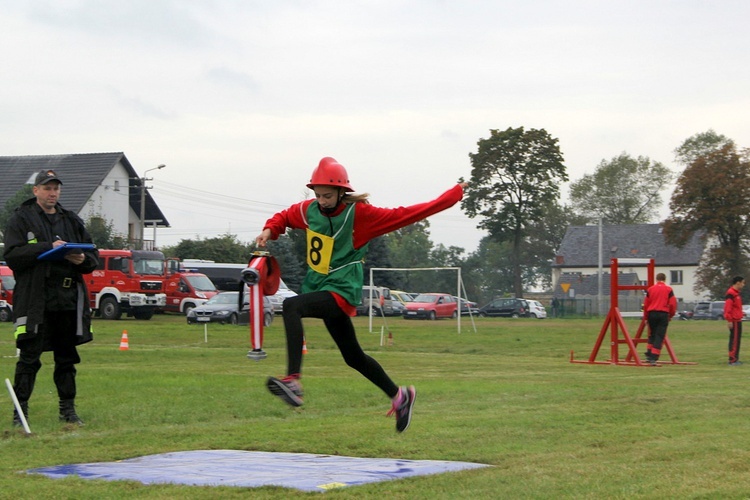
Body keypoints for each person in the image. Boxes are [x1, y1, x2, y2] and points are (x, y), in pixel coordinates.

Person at [255, 157, 467, 433]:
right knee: (353, 356)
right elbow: (285, 217)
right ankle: (400, 396)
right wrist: (269, 229)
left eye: (328, 195)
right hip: (321, 288)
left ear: (343, 191)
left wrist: (454, 194)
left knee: (292, 305)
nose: (322, 200)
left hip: (342, 290)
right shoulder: (310, 211)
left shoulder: (361, 216)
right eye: (318, 195)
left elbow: (411, 213)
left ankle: (293, 379)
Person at [3, 169, 99, 427]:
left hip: (66, 300)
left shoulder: (71, 220)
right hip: (35, 299)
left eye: (56, 188)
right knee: (29, 357)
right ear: (36, 191)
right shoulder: (21, 219)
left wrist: (82, 260)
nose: (52, 193)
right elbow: (12, 256)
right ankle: (20, 413)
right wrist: (47, 247)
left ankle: (68, 411)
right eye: (47, 188)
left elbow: (93, 257)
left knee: (67, 358)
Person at [642, 273, 677, 365]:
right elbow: (673, 304)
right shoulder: (669, 289)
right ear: (665, 279)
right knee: (660, 336)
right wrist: (671, 315)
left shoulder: (650, 289)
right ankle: (654, 356)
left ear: (656, 279)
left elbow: (646, 304)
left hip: (651, 313)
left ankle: (649, 353)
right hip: (663, 313)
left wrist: (645, 317)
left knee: (652, 334)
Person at [724, 276, 745, 366]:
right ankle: (732, 360)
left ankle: (735, 358)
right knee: (734, 340)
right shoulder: (731, 294)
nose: (743, 285)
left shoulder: (737, 294)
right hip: (734, 320)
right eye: (743, 283)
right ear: (738, 283)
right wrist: (729, 320)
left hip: (738, 319)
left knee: (737, 340)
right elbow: (727, 308)